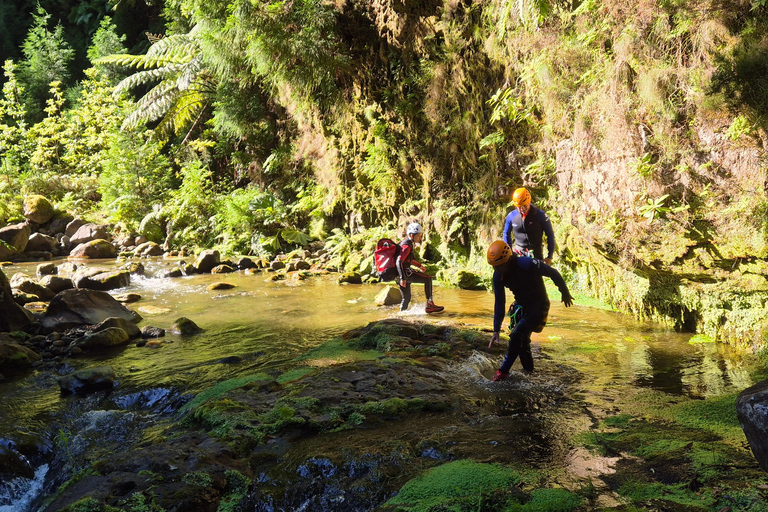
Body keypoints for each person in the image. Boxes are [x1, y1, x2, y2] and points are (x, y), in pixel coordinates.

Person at [486, 240, 573, 380]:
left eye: (499, 266)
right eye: (494, 266)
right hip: (522, 307)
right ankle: (529, 373)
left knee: (516, 335)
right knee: (522, 342)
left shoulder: (526, 264)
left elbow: (553, 272)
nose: (496, 269)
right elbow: (499, 302)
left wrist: (564, 292)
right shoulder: (498, 276)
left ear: (507, 259)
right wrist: (496, 329)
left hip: (539, 305)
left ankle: (503, 372)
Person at [396, 222, 444, 314]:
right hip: (403, 274)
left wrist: (419, 266)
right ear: (411, 235)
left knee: (406, 298)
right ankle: (430, 304)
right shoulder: (406, 246)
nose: (420, 238)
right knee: (428, 279)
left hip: (398, 274)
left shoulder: (406, 243)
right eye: (418, 236)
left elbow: (408, 260)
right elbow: (399, 261)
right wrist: (403, 278)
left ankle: (401, 315)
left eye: (421, 236)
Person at [502, 187, 555, 265]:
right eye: (519, 207)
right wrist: (509, 253)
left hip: (536, 254)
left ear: (529, 202)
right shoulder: (512, 216)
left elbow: (550, 235)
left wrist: (549, 256)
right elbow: (506, 233)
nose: (522, 209)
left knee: (535, 277)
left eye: (524, 206)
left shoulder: (540, 215)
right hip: (519, 253)